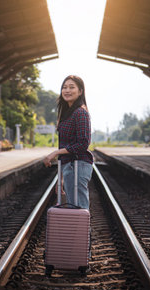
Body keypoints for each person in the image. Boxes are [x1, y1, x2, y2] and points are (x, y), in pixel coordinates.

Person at [43, 75, 93, 209]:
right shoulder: (67, 114)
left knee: (79, 207)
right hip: (69, 166)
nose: (67, 90)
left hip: (78, 164)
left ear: (80, 91)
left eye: (72, 87)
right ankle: (79, 230)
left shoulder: (80, 113)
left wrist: (55, 153)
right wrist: (61, 179)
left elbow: (83, 144)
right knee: (73, 206)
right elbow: (65, 145)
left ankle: (84, 231)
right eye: (64, 87)